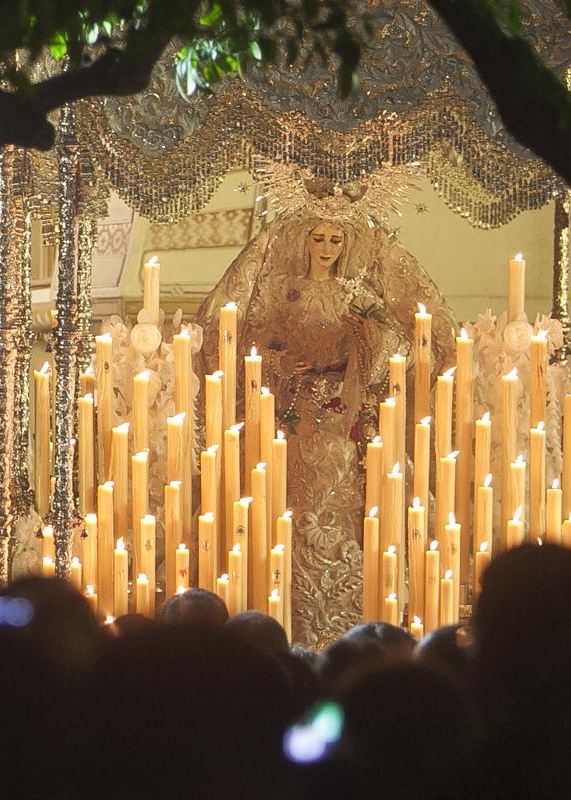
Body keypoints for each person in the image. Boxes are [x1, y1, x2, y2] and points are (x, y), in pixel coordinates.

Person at [195, 168, 456, 647]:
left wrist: (367, 334)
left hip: (345, 419)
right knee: (291, 505)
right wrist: (278, 361)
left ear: (347, 244)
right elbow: (245, 337)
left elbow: (400, 342)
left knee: (350, 507)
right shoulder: (279, 290)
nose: (328, 247)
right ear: (305, 240)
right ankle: (284, 603)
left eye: (337, 238)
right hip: (293, 421)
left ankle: (351, 606)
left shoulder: (361, 294)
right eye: (319, 237)